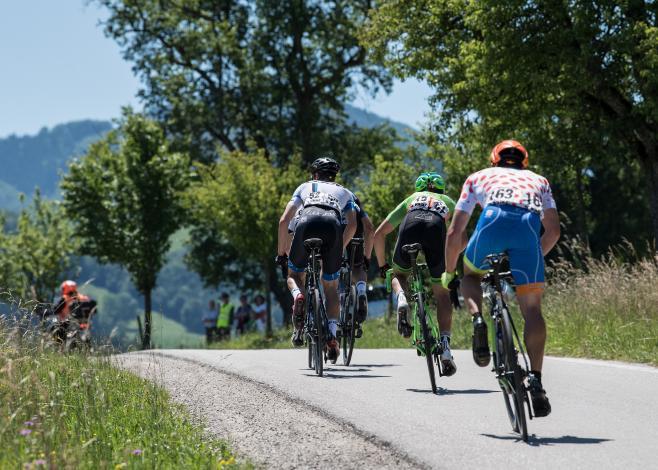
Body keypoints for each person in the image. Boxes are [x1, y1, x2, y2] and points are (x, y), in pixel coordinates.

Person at [441, 140, 560, 417]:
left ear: (495, 160)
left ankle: (478, 319)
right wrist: (532, 256)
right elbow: (553, 232)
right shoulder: (539, 180)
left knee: (470, 274)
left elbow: (454, 233)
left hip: (492, 219)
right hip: (528, 228)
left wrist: (450, 274)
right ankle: (537, 380)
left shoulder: (478, 177)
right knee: (532, 310)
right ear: (524, 161)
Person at [373, 172, 457, 376]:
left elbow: (379, 234)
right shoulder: (448, 202)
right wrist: (452, 266)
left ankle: (402, 298)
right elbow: (455, 235)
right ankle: (445, 347)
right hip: (435, 228)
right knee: (442, 293)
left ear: (419, 189)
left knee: (399, 275)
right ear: (441, 190)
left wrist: (383, 266)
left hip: (410, 225)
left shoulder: (411, 199)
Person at [276, 157, 357, 363]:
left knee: (294, 275)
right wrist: (340, 248)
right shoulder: (345, 192)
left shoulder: (304, 187)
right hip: (332, 225)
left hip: (305, 222)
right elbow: (354, 224)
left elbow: (284, 220)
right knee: (330, 287)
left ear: (314, 175)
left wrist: (281, 253)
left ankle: (298, 297)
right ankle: (331, 333)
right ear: (335, 176)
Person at [349, 195, 374, 331]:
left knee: (327, 267)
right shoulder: (353, 201)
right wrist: (367, 258)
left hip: (334, 234)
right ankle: (361, 291)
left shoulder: (329, 199)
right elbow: (369, 228)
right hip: (355, 235)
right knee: (358, 267)